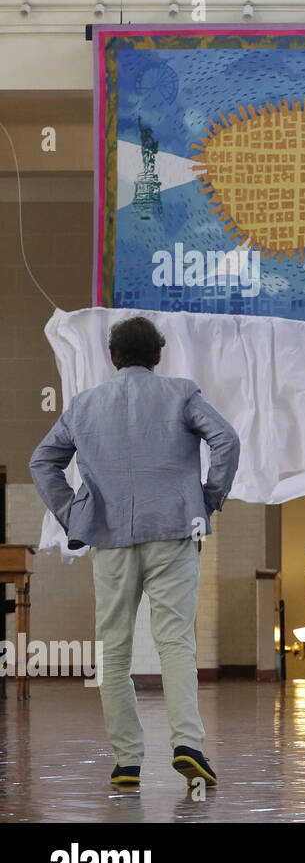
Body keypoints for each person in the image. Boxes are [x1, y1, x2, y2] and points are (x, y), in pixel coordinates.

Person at [29, 316, 239, 791]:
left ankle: (127, 761)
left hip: (108, 538)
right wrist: (208, 498)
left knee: (114, 652)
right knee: (175, 643)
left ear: (112, 357)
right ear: (158, 355)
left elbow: (41, 461)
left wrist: (73, 514)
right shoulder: (182, 392)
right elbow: (226, 438)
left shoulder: (83, 405)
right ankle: (187, 744)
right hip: (174, 531)